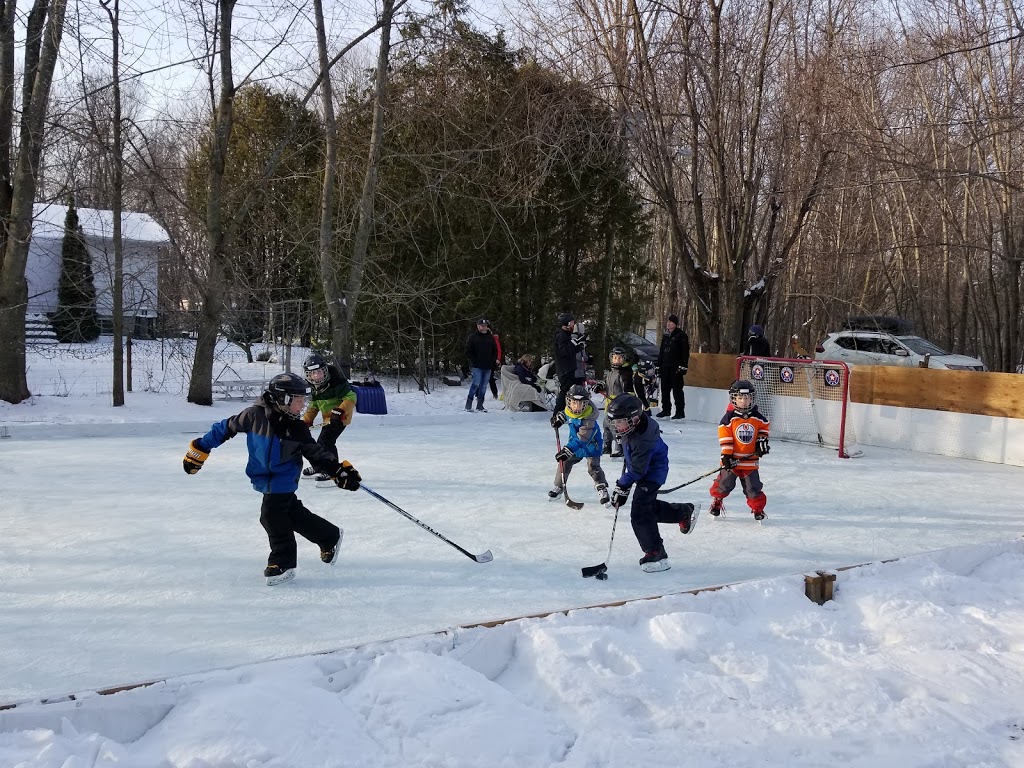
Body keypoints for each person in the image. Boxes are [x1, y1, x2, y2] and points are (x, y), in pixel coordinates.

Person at [182, 372, 362, 586]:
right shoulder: (253, 415)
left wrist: (338, 471)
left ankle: (282, 561)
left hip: (283, 478)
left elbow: (316, 453)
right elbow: (225, 428)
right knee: (292, 514)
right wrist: (201, 447)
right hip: (262, 477)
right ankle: (329, 536)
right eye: (298, 401)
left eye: (304, 401)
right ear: (283, 399)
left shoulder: (296, 427)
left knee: (271, 516)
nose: (302, 406)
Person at [606, 393, 698, 572]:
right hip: (643, 469)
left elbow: (637, 470)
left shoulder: (643, 439)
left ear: (634, 418)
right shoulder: (631, 428)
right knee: (647, 507)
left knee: (640, 514)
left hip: (653, 473)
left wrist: (622, 486)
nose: (616, 426)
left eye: (620, 422)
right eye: (614, 422)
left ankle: (656, 552)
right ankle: (683, 512)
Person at [709, 380, 771, 521]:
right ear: (734, 399)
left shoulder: (757, 417)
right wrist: (726, 455)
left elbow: (764, 428)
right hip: (732, 461)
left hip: (750, 462)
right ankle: (717, 502)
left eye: (747, 398)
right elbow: (726, 437)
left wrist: (762, 440)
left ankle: (757, 509)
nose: (744, 401)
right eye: (741, 398)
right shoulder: (729, 418)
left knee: (753, 488)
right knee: (724, 484)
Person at [300, 353, 358, 482]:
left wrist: (339, 412)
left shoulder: (336, 382)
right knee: (320, 443)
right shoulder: (315, 387)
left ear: (325, 370)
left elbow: (351, 398)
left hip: (340, 419)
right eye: (313, 373)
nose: (316, 376)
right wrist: (306, 421)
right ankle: (320, 467)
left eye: (319, 372)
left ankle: (333, 470)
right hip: (328, 419)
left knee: (326, 442)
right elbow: (314, 406)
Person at [550, 384, 610, 505]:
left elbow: (583, 437)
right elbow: (566, 414)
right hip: (574, 444)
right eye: (574, 403)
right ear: (569, 402)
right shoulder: (569, 411)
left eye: (581, 403)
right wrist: (559, 418)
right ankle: (559, 486)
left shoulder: (589, 418)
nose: (577, 406)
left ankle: (601, 488)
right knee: (564, 463)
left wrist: (568, 449)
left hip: (591, 445)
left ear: (586, 404)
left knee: (593, 467)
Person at [597, 346, 649, 459]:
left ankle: (620, 448)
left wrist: (623, 403)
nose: (617, 360)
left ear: (624, 359)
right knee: (606, 425)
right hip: (609, 405)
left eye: (620, 358)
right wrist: (600, 386)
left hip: (619, 406)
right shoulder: (611, 372)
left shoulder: (625, 373)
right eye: (615, 358)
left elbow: (628, 392)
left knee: (617, 428)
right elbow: (607, 384)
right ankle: (607, 445)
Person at [656, 314, 690, 420]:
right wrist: (658, 365)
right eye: (668, 322)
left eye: (670, 322)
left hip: (676, 368)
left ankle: (680, 412)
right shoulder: (665, 336)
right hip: (665, 367)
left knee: (677, 390)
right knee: (664, 389)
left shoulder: (681, 336)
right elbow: (661, 352)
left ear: (675, 324)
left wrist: (683, 366)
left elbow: (685, 352)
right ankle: (666, 410)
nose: (668, 323)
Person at [551, 312, 583, 420]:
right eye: (573, 323)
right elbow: (564, 352)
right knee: (565, 391)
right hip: (565, 369)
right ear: (567, 323)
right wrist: (573, 344)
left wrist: (579, 345)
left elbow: (572, 351)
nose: (574, 325)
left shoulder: (566, 335)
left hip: (569, 368)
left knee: (570, 391)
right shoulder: (561, 335)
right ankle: (557, 414)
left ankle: (565, 412)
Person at [465, 318, 498, 412]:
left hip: (488, 366)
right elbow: (468, 351)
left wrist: (493, 361)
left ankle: (480, 405)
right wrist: (474, 360)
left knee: (484, 386)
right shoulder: (473, 337)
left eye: (485, 326)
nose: (484, 327)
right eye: (482, 326)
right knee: (476, 383)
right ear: (478, 326)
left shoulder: (490, 337)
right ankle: (469, 403)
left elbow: (494, 351)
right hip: (477, 366)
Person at [489, 326, 504, 399]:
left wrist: (498, 358)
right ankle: (477, 394)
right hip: (482, 361)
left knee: (490, 378)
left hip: (492, 361)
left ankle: (495, 393)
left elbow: (498, 349)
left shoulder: (494, 339)